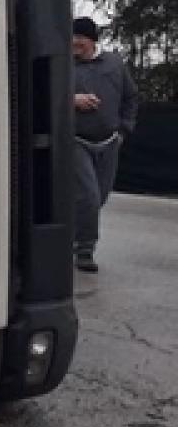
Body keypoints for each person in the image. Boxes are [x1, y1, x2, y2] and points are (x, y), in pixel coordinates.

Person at [70, 16, 138, 273]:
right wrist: (72, 100)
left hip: (109, 142)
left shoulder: (114, 63)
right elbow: (44, 94)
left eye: (78, 38)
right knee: (88, 196)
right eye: (71, 37)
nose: (73, 42)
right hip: (75, 141)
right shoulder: (64, 65)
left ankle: (68, 238)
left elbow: (131, 97)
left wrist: (123, 129)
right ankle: (85, 251)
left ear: (91, 40)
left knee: (99, 198)